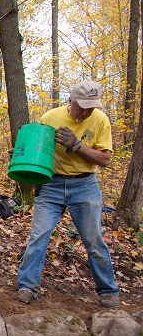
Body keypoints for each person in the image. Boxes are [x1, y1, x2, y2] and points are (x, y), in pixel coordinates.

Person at [16, 80, 120, 308]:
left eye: (91, 107)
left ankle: (108, 291)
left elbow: (105, 159)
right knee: (39, 236)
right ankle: (27, 286)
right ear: (70, 101)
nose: (86, 112)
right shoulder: (50, 118)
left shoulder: (101, 120)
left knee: (94, 240)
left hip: (85, 186)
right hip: (51, 184)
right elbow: (37, 152)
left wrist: (78, 146)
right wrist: (22, 157)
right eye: (82, 106)